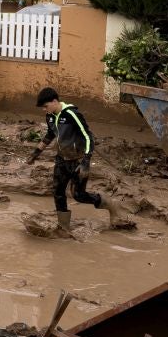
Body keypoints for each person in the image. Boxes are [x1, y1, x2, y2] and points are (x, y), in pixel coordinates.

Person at [31, 87, 102, 231]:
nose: (44, 110)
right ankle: (63, 227)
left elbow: (88, 136)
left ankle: (107, 203)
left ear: (55, 101)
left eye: (46, 106)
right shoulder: (50, 116)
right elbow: (51, 134)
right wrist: (36, 153)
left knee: (79, 195)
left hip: (78, 161)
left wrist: (86, 162)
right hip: (61, 159)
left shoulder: (72, 114)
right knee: (58, 192)